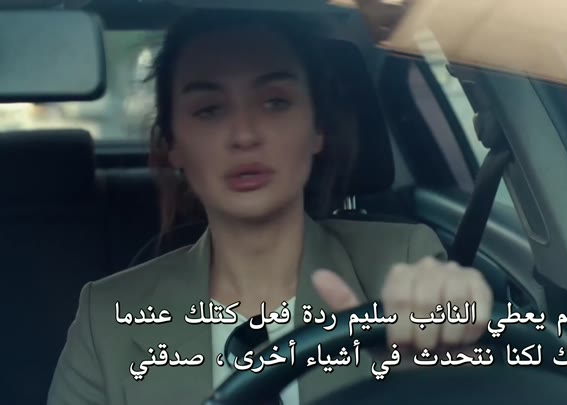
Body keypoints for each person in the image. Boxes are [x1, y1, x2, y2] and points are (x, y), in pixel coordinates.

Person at [48, 9, 493, 405]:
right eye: (209, 109)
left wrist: (437, 377)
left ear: (317, 128)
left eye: (275, 102)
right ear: (173, 144)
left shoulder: (405, 265)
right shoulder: (106, 318)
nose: (244, 135)